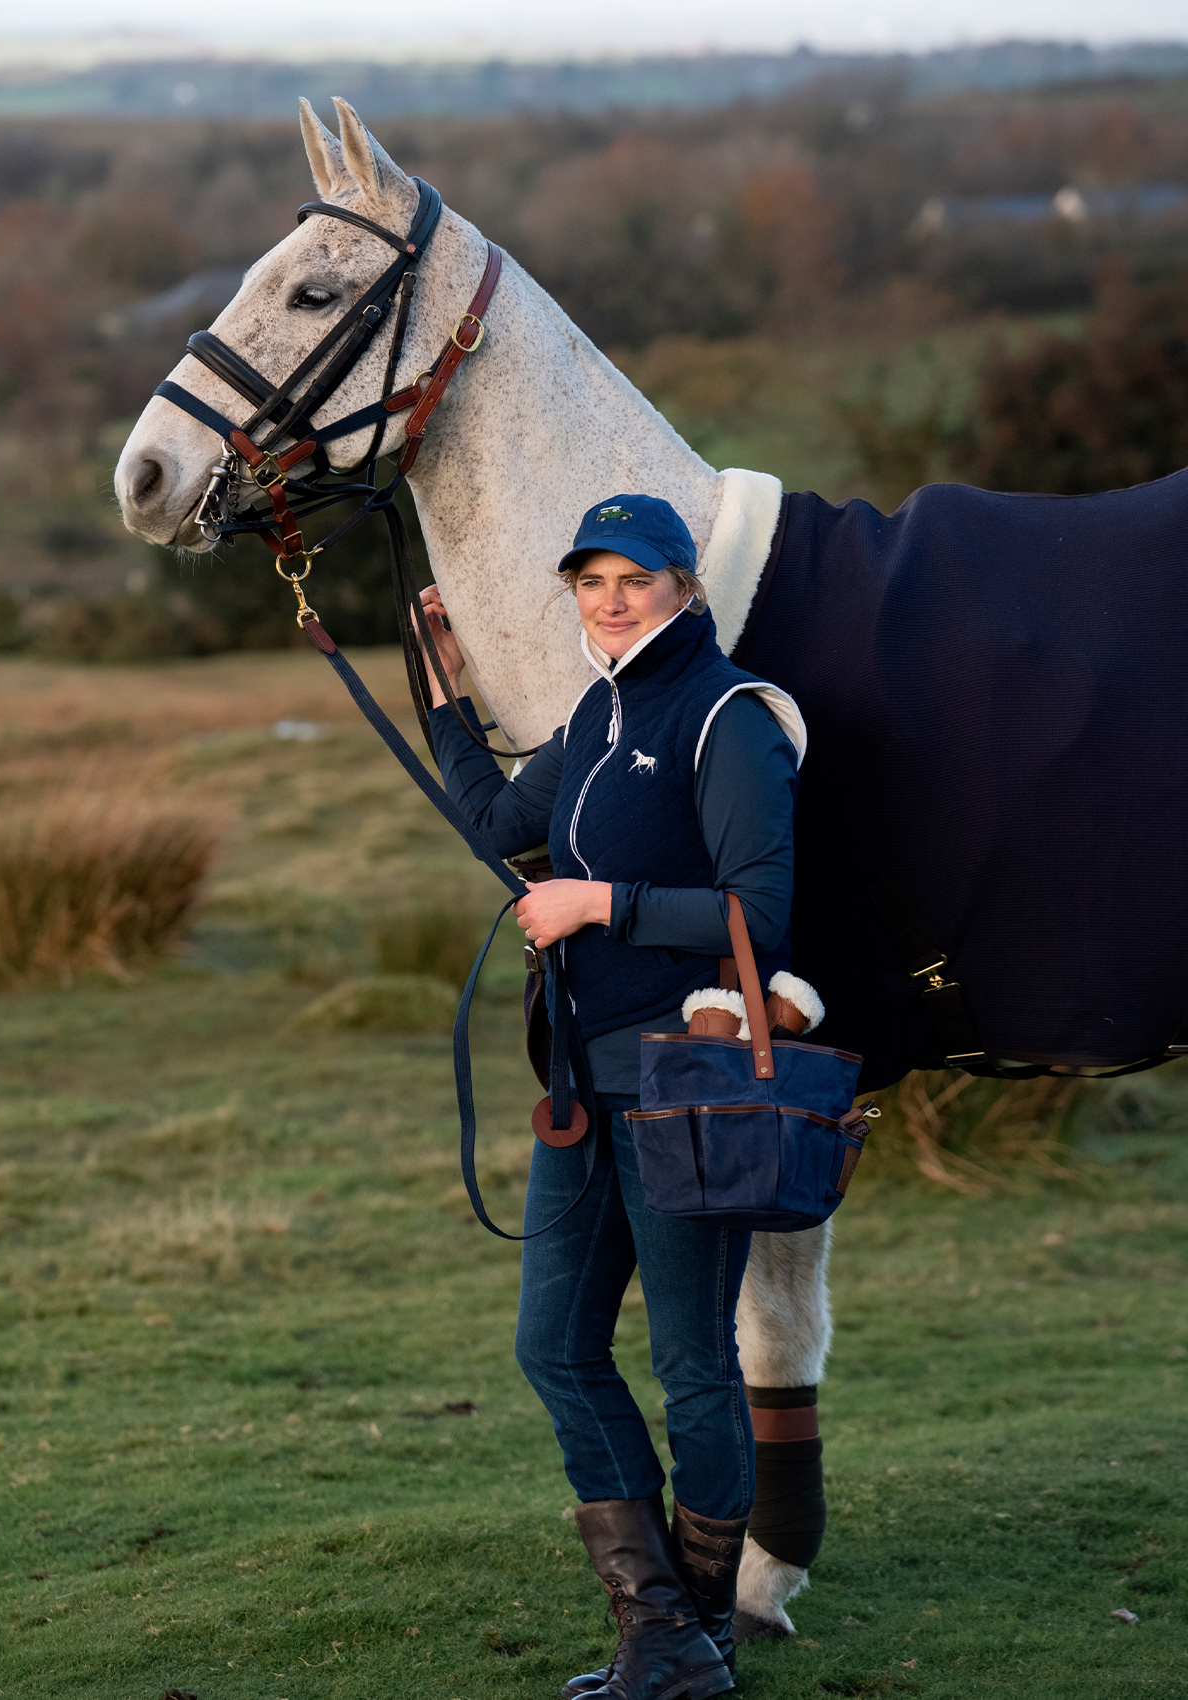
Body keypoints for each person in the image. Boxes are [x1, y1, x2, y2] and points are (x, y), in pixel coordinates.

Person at [418, 494, 803, 1700]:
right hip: (582, 1083)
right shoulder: (597, 715)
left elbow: (757, 914)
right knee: (555, 1344)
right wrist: (442, 698)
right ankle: (666, 1630)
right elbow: (494, 820)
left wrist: (601, 904)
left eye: (635, 577)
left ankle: (696, 1636)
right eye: (590, 580)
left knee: (694, 1360)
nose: (610, 598)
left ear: (684, 585)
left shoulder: (729, 716)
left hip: (684, 1086)